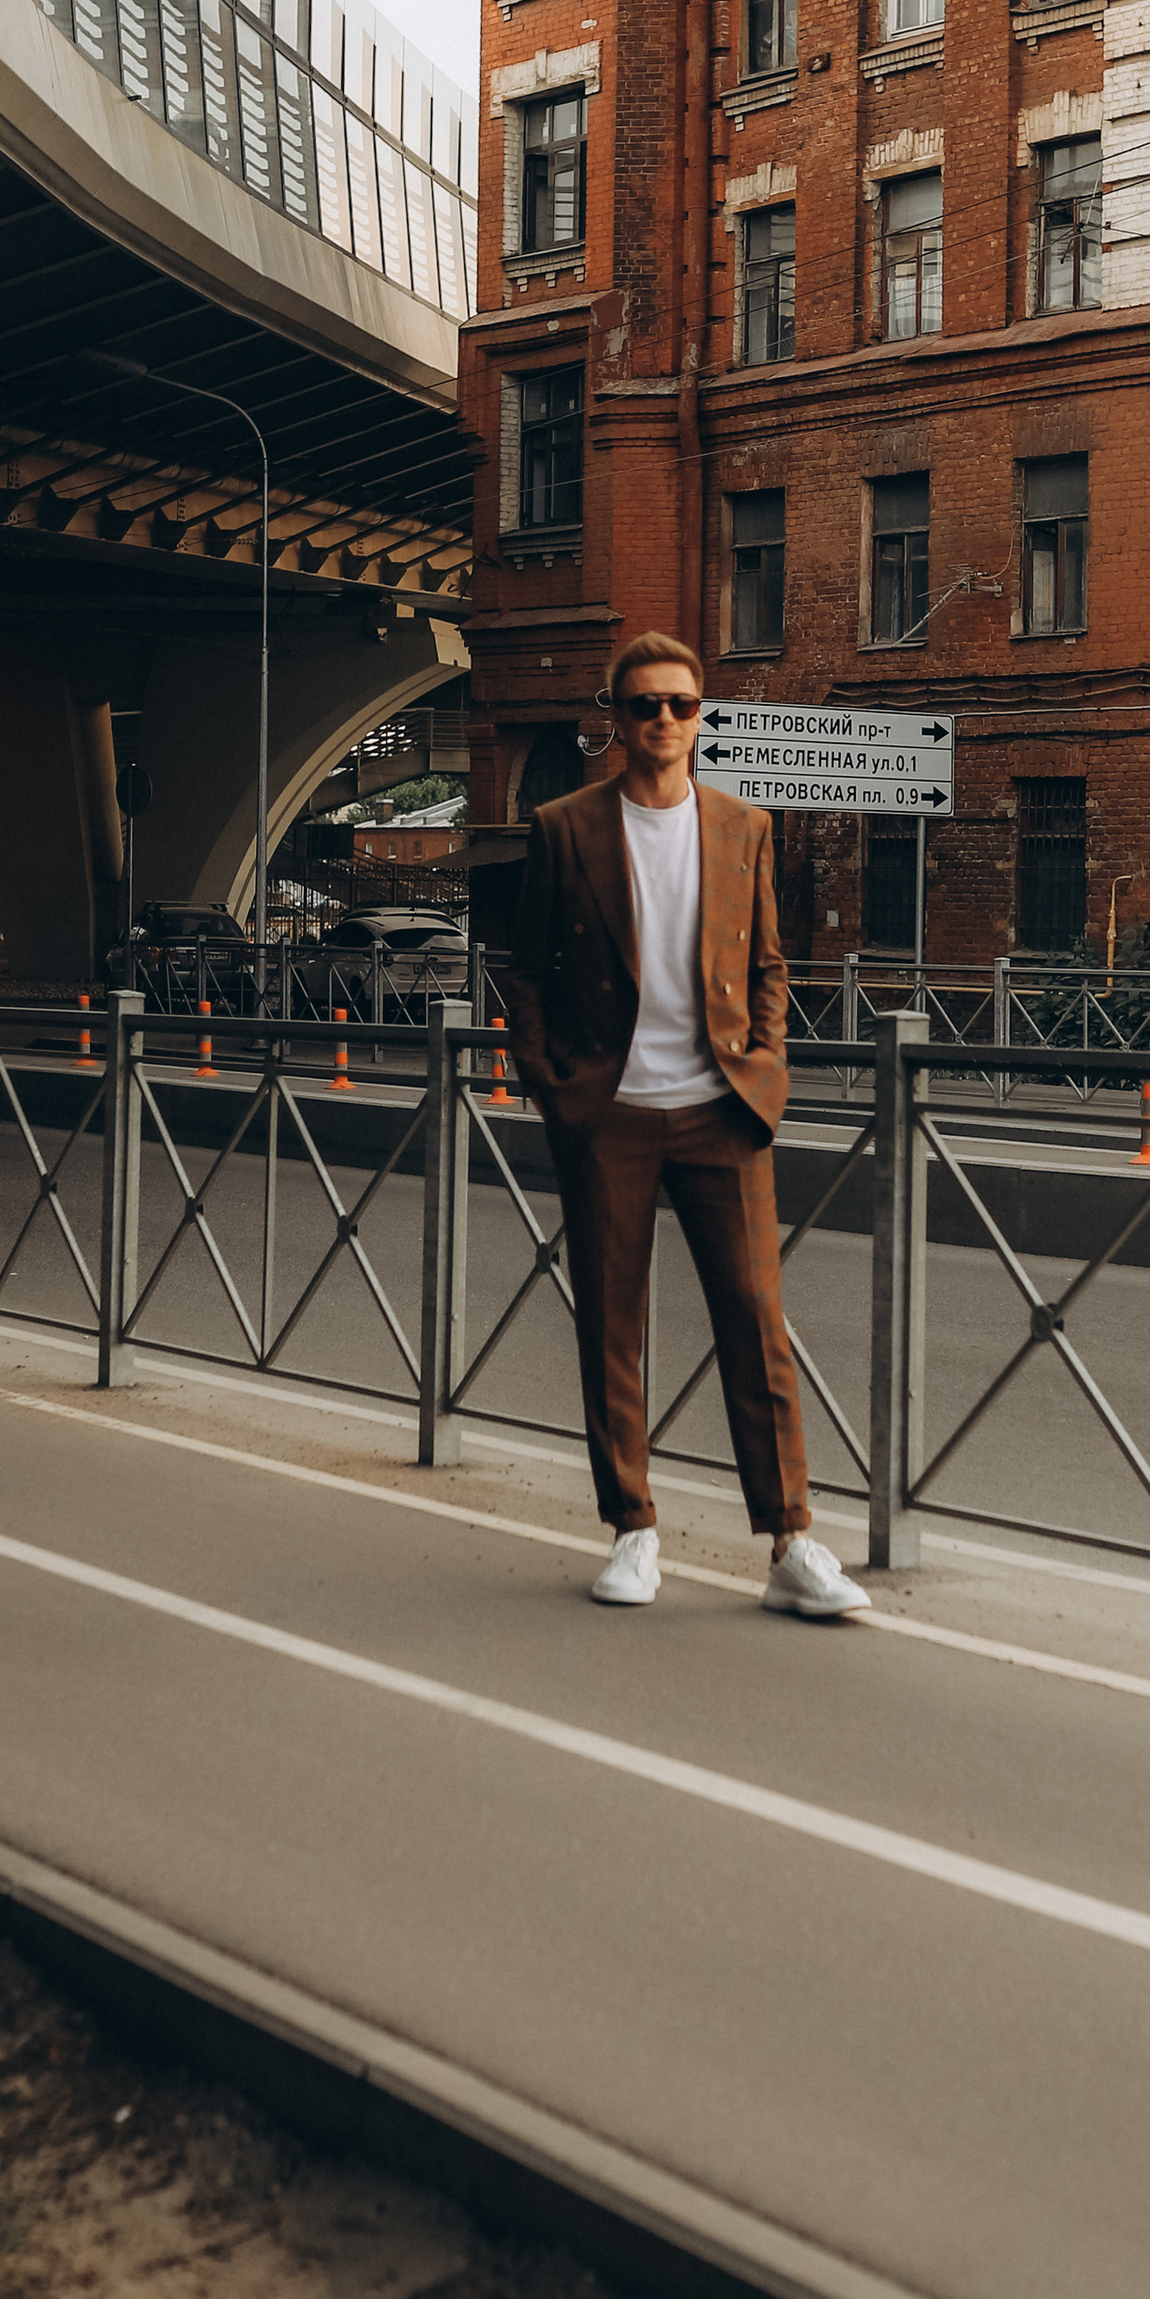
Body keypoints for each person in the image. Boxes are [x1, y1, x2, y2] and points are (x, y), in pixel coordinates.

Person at [503, 627, 868, 1618]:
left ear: (700, 717)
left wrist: (766, 1065)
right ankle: (632, 1530)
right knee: (610, 1329)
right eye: (642, 705)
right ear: (613, 720)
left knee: (756, 1326)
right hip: (609, 1113)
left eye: (679, 704)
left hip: (721, 1113)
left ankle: (792, 1542)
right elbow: (524, 973)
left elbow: (768, 965)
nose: (662, 720)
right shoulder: (565, 827)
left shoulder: (745, 827)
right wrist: (555, 1088)